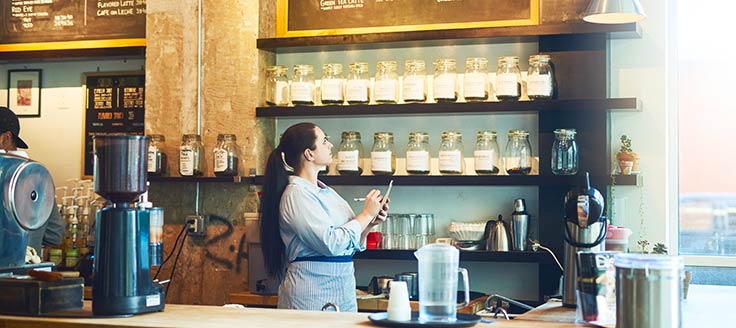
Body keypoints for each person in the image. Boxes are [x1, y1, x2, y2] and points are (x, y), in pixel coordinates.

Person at [260, 122, 389, 312]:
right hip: (310, 293)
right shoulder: (296, 195)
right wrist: (365, 214)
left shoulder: (327, 192)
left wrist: (369, 223)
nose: (331, 145)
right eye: (324, 141)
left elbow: (347, 244)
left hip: (343, 289)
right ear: (309, 154)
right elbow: (330, 243)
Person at [0, 106, 64, 257]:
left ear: (6, 137)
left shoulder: (4, 171)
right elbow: (55, 233)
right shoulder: (38, 174)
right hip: (27, 273)